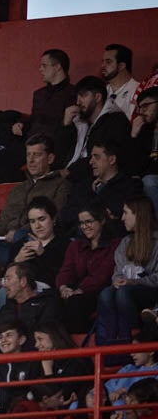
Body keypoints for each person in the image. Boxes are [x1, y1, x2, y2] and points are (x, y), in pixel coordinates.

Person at [96, 197, 158, 349]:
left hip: (151, 293)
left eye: (126, 213)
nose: (122, 217)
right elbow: (117, 273)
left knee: (123, 293)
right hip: (127, 290)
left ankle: (133, 334)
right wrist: (118, 281)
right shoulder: (125, 242)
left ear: (138, 214)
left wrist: (134, 282)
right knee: (106, 293)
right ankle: (112, 342)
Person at [0, 134, 71, 243]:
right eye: (28, 155)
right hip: (5, 241)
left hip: (34, 241)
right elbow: (3, 221)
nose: (31, 160)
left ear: (50, 158)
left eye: (37, 155)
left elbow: (55, 218)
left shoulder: (61, 185)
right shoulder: (18, 189)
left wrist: (19, 233)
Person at [55, 203, 117, 333]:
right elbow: (66, 270)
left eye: (88, 222)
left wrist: (80, 290)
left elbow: (103, 274)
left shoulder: (114, 244)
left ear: (102, 220)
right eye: (81, 223)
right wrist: (63, 287)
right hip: (74, 292)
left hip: (100, 292)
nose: (84, 227)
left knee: (75, 303)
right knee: (51, 301)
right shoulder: (75, 246)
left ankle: (78, 348)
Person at [61, 141, 142, 232]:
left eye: (97, 157)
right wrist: (99, 214)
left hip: (114, 240)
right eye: (91, 157)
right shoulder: (83, 186)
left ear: (112, 160)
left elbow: (122, 211)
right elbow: (65, 215)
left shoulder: (131, 185)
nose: (91, 162)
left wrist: (102, 190)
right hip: (80, 239)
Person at [58, 76, 130, 175]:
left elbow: (100, 158)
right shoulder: (78, 122)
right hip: (72, 175)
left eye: (83, 96)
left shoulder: (115, 121)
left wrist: (70, 171)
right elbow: (59, 154)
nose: (78, 102)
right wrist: (66, 125)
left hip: (93, 177)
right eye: (77, 97)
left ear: (97, 97)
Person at [7, 197, 69, 290]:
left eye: (42, 219)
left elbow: (59, 278)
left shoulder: (65, 245)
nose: (37, 226)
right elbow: (5, 277)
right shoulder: (20, 245)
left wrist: (42, 254)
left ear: (53, 219)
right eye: (32, 221)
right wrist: (16, 261)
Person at [0, 320, 37, 413]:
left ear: (21, 340)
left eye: (9, 335)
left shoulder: (31, 362)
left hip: (22, 415)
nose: (3, 340)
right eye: (0, 337)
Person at [25, 49, 78, 142]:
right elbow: (33, 119)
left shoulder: (73, 93)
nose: (40, 69)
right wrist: (21, 123)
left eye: (44, 65)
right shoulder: (38, 94)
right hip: (30, 143)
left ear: (57, 67)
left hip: (54, 146)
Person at [0, 262, 62, 336]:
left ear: (23, 281)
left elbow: (47, 336)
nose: (4, 284)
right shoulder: (6, 309)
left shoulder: (48, 304)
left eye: (8, 279)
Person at [102, 43, 139, 119]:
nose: (103, 65)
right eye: (103, 62)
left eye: (108, 62)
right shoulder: (101, 91)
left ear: (121, 65)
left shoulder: (137, 90)